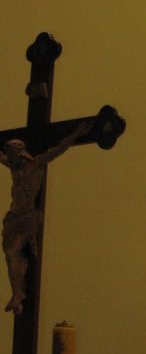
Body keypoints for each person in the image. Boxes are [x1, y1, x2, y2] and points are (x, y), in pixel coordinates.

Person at [1, 122, 90, 313]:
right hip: (13, 218)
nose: (8, 158)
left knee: (11, 253)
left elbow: (59, 149)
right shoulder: (14, 168)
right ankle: (18, 291)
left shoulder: (37, 164)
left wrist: (76, 134)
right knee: (11, 255)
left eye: (10, 154)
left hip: (27, 218)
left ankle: (17, 294)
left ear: (19, 153)